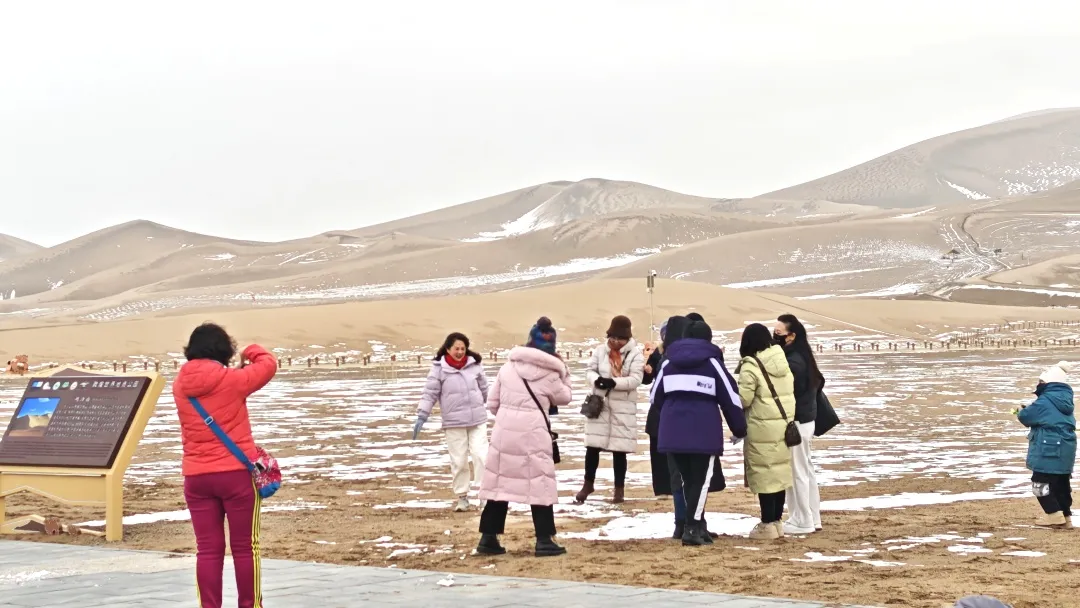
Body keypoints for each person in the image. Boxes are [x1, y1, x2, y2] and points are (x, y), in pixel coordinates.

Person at [173, 323, 277, 608]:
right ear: (224, 350)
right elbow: (268, 364)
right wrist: (250, 351)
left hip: (196, 476)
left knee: (207, 550)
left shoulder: (180, 385)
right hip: (236, 476)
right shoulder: (234, 380)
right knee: (245, 548)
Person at [477, 317, 574, 557]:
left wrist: (509, 419)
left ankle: (488, 538)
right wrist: (565, 372)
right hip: (535, 434)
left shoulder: (507, 368)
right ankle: (544, 540)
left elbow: (492, 403)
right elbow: (565, 397)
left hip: (504, 434)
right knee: (539, 484)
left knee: (499, 484)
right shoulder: (550, 373)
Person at [651, 320, 747, 545]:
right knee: (701, 481)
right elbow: (730, 398)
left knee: (687, 480)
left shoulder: (668, 362)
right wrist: (739, 428)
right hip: (704, 431)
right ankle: (692, 528)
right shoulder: (712, 363)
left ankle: (696, 525)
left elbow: (655, 397)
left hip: (672, 431)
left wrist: (672, 414)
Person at [414, 332, 490, 512]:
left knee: (481, 456)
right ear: (448, 349)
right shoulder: (438, 369)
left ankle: (485, 496)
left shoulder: (474, 365)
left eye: (463, 348)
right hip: (454, 422)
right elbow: (430, 393)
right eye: (457, 348)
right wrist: (422, 415)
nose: (460, 352)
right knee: (459, 460)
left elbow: (485, 389)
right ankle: (462, 497)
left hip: (477, 419)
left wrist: (496, 407)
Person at [576, 315, 645, 504]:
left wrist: (613, 383)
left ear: (627, 338)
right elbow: (590, 370)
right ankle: (588, 484)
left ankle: (619, 490)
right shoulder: (600, 351)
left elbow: (635, 379)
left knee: (619, 450)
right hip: (600, 404)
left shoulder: (635, 354)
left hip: (623, 407)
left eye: (619, 338)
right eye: (612, 337)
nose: (615, 341)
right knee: (592, 446)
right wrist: (596, 380)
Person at [736, 323, 795, 541]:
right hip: (783, 426)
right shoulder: (781, 360)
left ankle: (767, 523)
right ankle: (777, 521)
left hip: (761, 428)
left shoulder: (751, 366)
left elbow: (744, 399)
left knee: (764, 477)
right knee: (778, 474)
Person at [774, 314, 824, 534]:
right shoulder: (803, 356)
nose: (774, 337)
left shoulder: (793, 361)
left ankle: (802, 520)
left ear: (791, 336)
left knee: (797, 472)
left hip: (797, 422)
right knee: (805, 470)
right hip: (805, 421)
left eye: (778, 333)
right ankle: (812, 516)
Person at [1016, 361, 1076, 528]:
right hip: (1067, 448)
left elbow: (1026, 417)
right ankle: (1066, 519)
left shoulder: (1045, 401)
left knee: (1040, 484)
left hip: (1048, 448)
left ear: (1048, 383)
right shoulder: (1065, 400)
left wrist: (1020, 410)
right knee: (1061, 485)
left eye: (1041, 381)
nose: (1039, 384)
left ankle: (1055, 518)